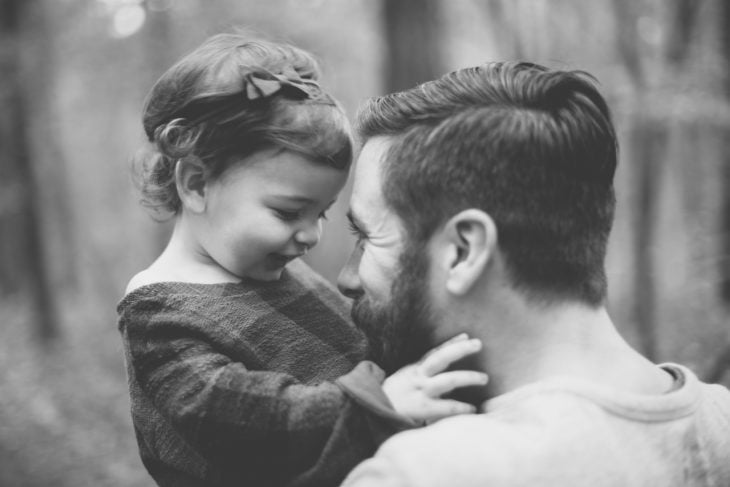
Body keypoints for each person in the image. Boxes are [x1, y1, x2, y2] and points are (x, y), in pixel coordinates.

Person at [117, 33, 488, 487]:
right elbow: (240, 419)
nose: (312, 235)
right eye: (288, 212)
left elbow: (358, 349)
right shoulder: (161, 314)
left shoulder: (279, 270)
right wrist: (377, 402)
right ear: (196, 183)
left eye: (323, 213)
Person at [338, 61, 730, 486]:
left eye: (367, 236)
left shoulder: (426, 472)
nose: (347, 277)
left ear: (464, 251)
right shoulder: (721, 421)